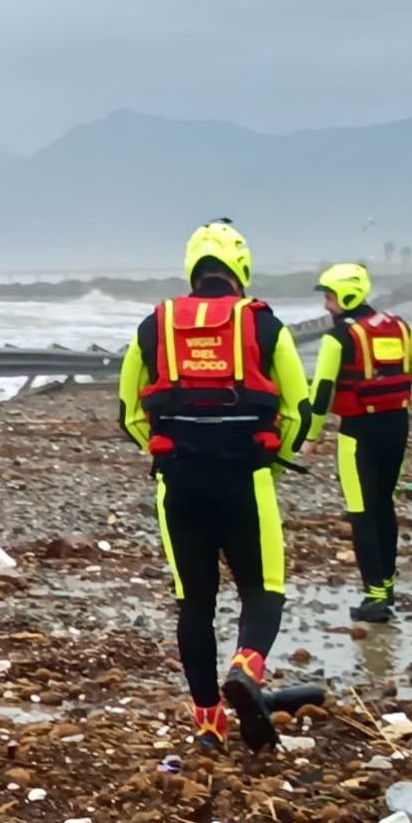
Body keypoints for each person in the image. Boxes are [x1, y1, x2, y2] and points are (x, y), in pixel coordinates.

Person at [118, 219, 310, 750]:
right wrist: (271, 463)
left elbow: (129, 411)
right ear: (240, 269)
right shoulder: (266, 325)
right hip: (246, 479)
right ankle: (247, 665)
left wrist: (170, 454)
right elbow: (300, 410)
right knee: (263, 589)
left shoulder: (153, 326)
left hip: (177, 484)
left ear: (192, 269)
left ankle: (208, 723)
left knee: (195, 603)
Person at [307, 262, 412, 623]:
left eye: (329, 298)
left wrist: (311, 436)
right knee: (384, 505)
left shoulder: (337, 339)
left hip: (357, 433)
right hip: (396, 428)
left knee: (362, 512)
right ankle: (388, 585)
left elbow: (321, 391)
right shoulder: (401, 328)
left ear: (347, 296)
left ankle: (375, 596)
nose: (326, 306)